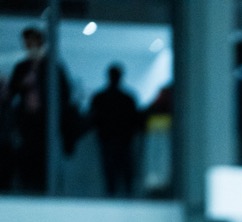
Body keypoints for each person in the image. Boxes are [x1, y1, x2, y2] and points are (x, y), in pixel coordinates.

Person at [6, 26, 78, 194]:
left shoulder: (52, 66)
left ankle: (43, 187)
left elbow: (64, 93)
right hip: (27, 120)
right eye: (26, 42)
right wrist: (23, 85)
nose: (28, 46)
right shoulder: (22, 67)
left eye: (31, 42)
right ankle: (28, 186)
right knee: (27, 155)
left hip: (46, 121)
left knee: (44, 155)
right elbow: (12, 91)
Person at [88, 63, 142, 197]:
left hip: (115, 140)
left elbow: (93, 118)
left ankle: (117, 195)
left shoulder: (102, 98)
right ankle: (121, 195)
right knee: (118, 171)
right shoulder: (126, 99)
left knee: (116, 171)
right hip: (117, 140)